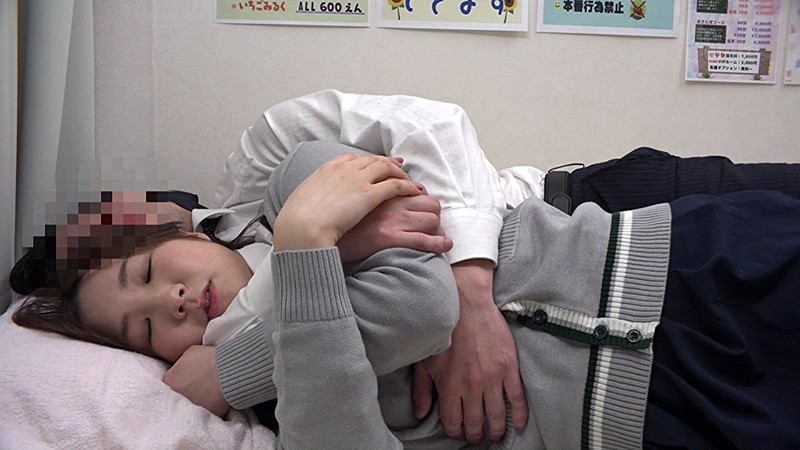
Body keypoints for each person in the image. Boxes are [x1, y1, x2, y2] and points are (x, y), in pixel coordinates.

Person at [10, 89, 800, 444]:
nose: (176, 301)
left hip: (679, 262)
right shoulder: (284, 411)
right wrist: (314, 265)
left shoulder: (284, 185)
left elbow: (423, 302)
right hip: (663, 420)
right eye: (148, 330)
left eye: (151, 275)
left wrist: (297, 250)